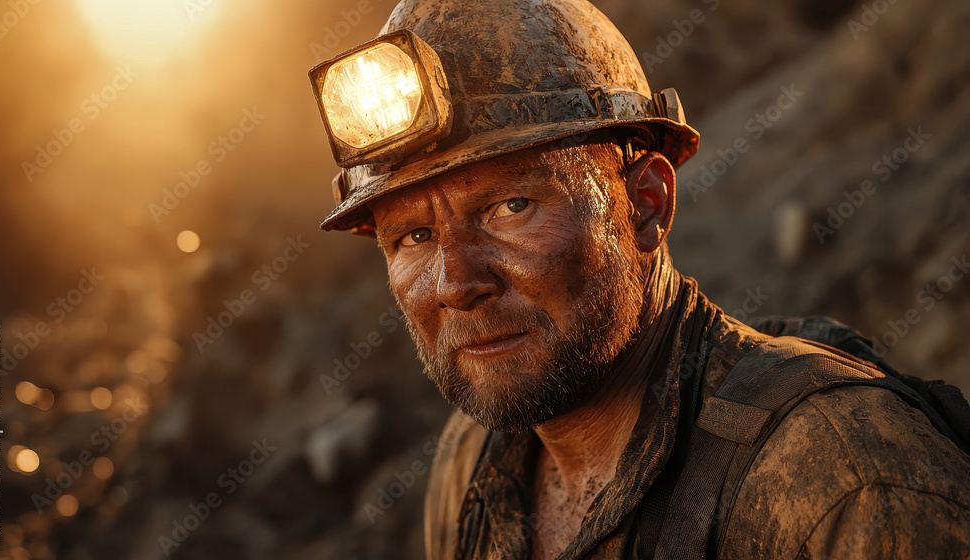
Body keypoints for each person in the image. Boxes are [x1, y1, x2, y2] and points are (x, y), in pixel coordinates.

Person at [308, 0, 970, 558]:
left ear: (646, 204)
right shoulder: (471, 464)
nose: (456, 283)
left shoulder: (841, 479)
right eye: (414, 236)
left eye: (510, 207)